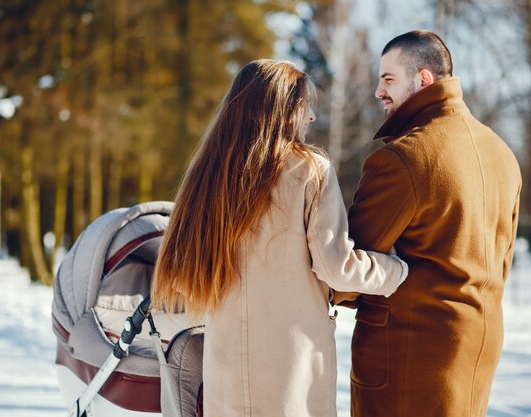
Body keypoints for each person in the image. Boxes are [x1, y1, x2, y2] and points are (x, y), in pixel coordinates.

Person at [151, 59, 408, 417]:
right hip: (290, 376)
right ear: (281, 109)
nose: (312, 118)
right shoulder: (308, 170)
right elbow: (336, 267)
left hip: (225, 378)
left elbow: (182, 273)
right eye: (305, 107)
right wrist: (394, 270)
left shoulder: (209, 174)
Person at [333, 30, 522, 417]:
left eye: (388, 79)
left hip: (408, 354)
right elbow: (500, 262)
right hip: (477, 347)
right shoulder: (502, 154)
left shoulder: (404, 158)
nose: (377, 92)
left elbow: (347, 267)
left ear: (423, 80)